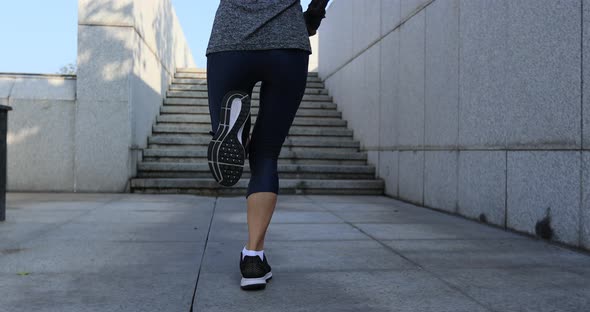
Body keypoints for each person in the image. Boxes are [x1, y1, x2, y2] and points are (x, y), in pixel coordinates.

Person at [205, 0, 329, 290]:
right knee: (266, 154)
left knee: (229, 127)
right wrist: (312, 18)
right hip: (287, 44)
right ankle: (253, 257)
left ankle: (234, 132)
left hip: (229, 43)